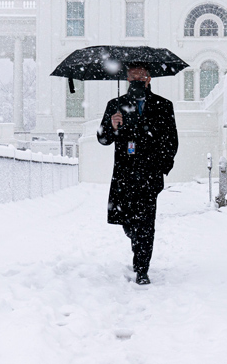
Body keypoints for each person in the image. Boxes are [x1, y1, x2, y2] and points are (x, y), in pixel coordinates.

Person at [97, 63, 178, 285]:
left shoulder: (163, 106)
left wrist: (162, 166)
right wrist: (112, 126)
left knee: (146, 223)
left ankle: (142, 268)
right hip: (124, 175)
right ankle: (135, 238)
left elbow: (171, 139)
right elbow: (103, 139)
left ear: (149, 79)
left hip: (150, 175)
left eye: (140, 77)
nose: (136, 81)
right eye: (132, 77)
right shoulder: (115, 105)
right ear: (126, 79)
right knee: (128, 222)